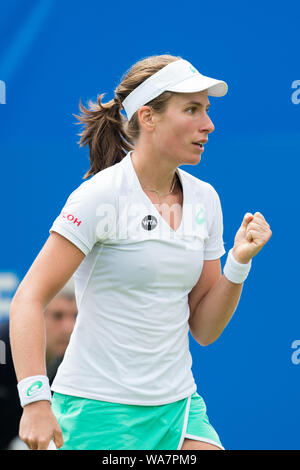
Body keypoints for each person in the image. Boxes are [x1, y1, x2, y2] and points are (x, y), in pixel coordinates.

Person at [9, 54, 272, 451]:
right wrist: (34, 400)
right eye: (192, 109)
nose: (208, 124)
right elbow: (28, 298)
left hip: (180, 407)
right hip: (97, 409)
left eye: (207, 110)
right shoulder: (99, 196)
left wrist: (238, 263)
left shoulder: (206, 199)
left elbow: (204, 329)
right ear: (148, 117)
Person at [0, 280, 77, 449]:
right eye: (57, 316)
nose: (68, 328)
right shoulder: (2, 348)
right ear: (33, 318)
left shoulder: (76, 359)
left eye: (75, 316)